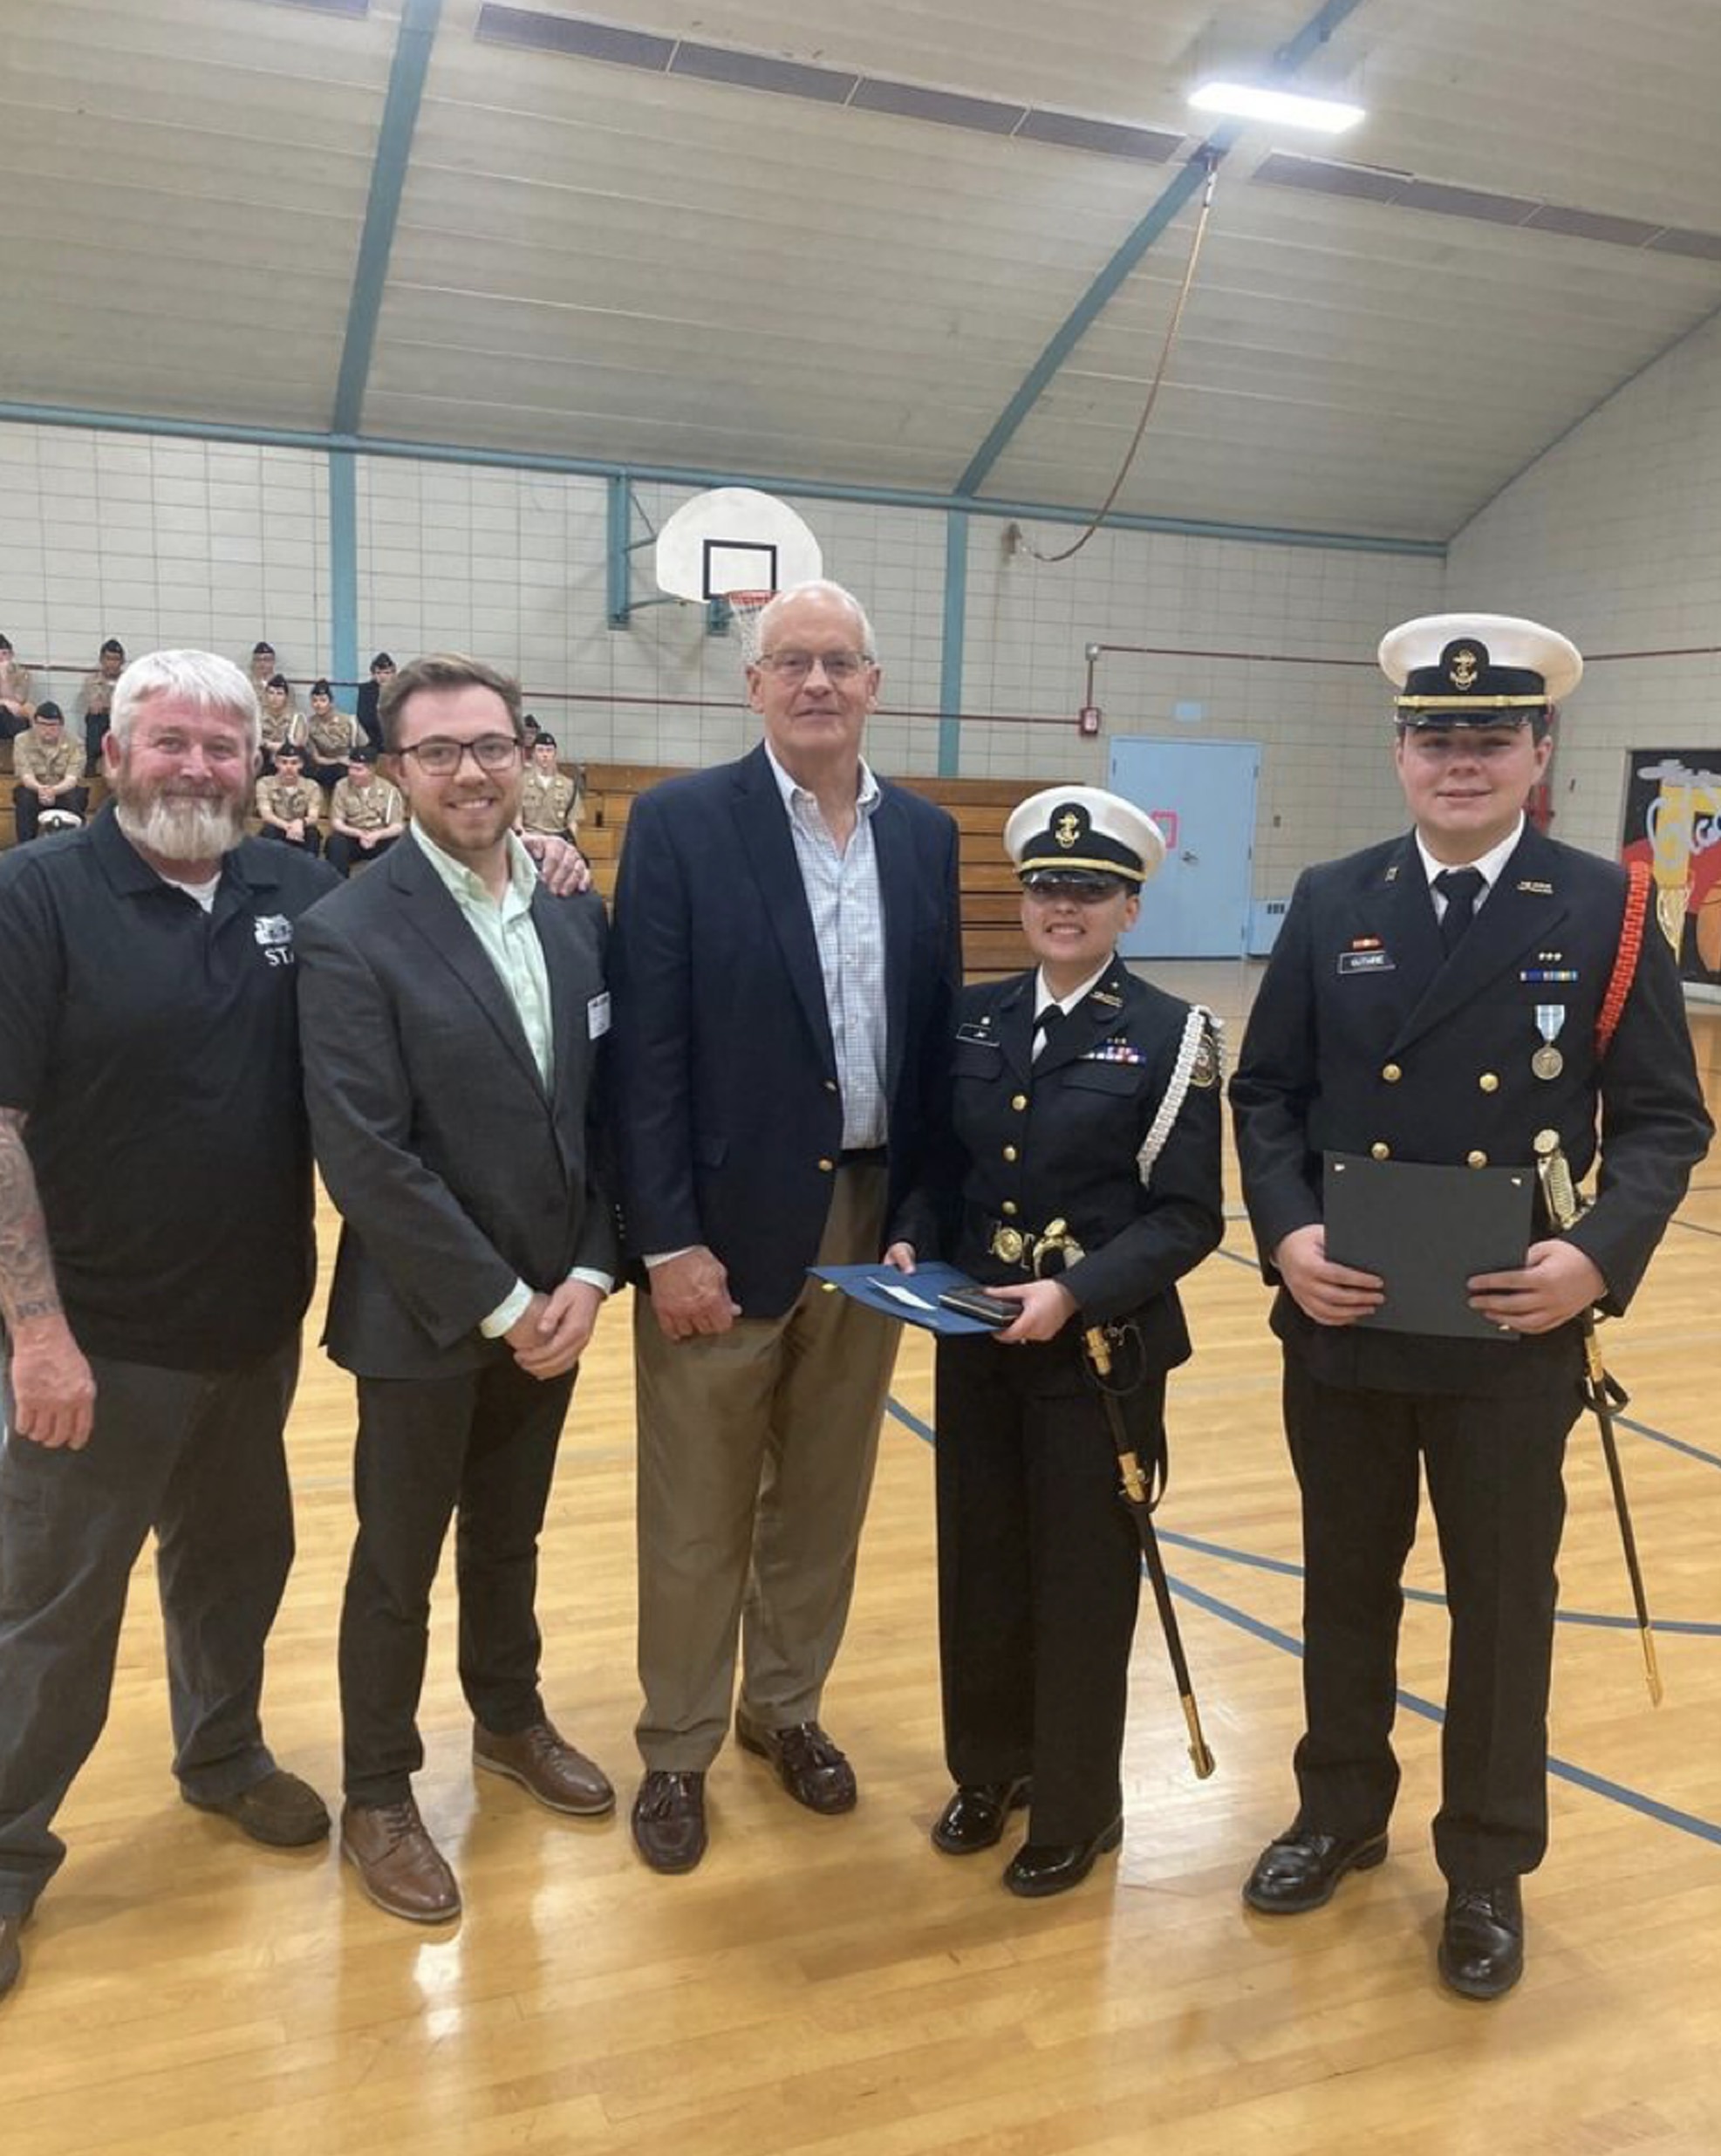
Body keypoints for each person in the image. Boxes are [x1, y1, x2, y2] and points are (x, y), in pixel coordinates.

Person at [1229, 613, 1712, 2002]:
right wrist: (1287, 1236)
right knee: (1344, 1581)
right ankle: (1337, 1812)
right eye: (1435, 737)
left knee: (1503, 1601)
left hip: (1513, 1324)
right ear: (1399, 752)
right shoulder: (1332, 898)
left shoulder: (1608, 909)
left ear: (1538, 751)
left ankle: (1487, 1862)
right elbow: (1264, 1096)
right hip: (1349, 1311)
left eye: (1488, 736)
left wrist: (1596, 1260)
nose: (1460, 759)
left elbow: (1668, 1127)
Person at [0, 650, 339, 2003]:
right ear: (114, 751)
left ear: (257, 764)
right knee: (53, 1614)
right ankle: (7, 1853)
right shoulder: (38, 894)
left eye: (221, 744)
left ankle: (222, 1757)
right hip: (94, 1342)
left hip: (251, 1329)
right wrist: (34, 1334)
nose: (196, 766)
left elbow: (424, 956)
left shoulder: (296, 893)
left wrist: (542, 872)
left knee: (234, 1568)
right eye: (170, 742)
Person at [608, 577, 962, 1873]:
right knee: (699, 1505)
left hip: (872, 1219)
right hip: (721, 1220)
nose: (816, 682)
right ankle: (678, 1745)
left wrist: (925, 1211)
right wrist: (665, 1240)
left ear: (875, 685)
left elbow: (933, 1048)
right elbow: (644, 1053)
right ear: (752, 686)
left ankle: (785, 1711)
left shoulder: (924, 838)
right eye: (791, 662)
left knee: (823, 1492)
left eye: (840, 662)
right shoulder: (682, 824)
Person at [297, 653, 619, 1925]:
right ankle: (377, 1789)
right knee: (395, 1560)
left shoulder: (568, 910)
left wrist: (592, 1271)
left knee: (513, 1536)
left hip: (559, 1308)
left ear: (525, 755)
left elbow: (601, 1117)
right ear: (392, 774)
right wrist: (503, 1302)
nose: (472, 771)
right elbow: (366, 1155)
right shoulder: (349, 932)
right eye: (439, 752)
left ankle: (509, 1720)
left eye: (492, 745)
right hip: (429, 1315)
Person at [885, 787, 1223, 1896]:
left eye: (1088, 889)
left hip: (1096, 1355)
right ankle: (987, 1769)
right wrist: (908, 1242)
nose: (1062, 905)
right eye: (1044, 886)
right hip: (977, 1336)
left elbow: (1185, 1217)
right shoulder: (973, 1018)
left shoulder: (1175, 1035)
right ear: (1020, 900)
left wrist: (1075, 1292)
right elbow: (942, 1170)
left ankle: (1079, 1806)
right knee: (979, 1561)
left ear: (1128, 906)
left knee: (1081, 1584)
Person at [10, 704, 90, 843]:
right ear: (34, 723)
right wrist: (41, 789)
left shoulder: (75, 743)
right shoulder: (22, 740)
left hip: (64, 788)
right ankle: (25, 847)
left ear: (61, 725)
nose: (47, 730)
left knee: (74, 798)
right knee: (24, 797)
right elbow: (26, 775)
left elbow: (72, 778)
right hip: (35, 788)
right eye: (42, 725)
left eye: (53, 726)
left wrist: (53, 791)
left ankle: (76, 846)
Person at [324, 743, 406, 875]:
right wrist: (359, 833)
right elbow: (337, 822)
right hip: (353, 836)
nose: (352, 773)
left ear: (372, 769)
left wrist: (377, 835)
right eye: (350, 768)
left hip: (379, 837)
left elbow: (397, 826)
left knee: (398, 845)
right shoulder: (342, 786)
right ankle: (339, 885)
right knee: (335, 842)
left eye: (358, 769)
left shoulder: (389, 790)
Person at [253, 738, 323, 855]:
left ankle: (309, 871)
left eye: (294, 763)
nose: (289, 767)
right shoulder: (264, 783)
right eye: (284, 762)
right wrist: (288, 827)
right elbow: (266, 815)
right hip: (278, 828)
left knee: (312, 833)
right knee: (268, 830)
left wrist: (300, 823)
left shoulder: (311, 786)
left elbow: (313, 816)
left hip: (301, 829)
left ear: (301, 764)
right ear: (276, 763)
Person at [303, 679, 365, 791]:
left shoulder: (349, 721)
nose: (318, 704)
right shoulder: (309, 724)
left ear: (331, 702)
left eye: (323, 700)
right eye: (314, 700)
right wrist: (337, 760)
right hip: (325, 766)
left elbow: (364, 747)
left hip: (349, 764)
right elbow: (316, 757)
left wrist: (350, 761)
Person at [79, 638, 126, 774]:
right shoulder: (91, 681)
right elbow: (94, 705)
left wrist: (108, 705)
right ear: (101, 660)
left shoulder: (129, 680)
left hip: (122, 723)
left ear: (122, 662)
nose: (111, 663)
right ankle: (91, 769)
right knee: (94, 718)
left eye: (115, 659)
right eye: (108, 659)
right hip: (100, 722)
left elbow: (129, 706)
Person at [519, 732, 578, 839]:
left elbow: (572, 822)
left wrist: (571, 845)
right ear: (533, 753)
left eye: (549, 750)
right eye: (540, 750)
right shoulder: (521, 783)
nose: (545, 755)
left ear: (555, 754)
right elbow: (516, 820)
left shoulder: (569, 786)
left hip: (557, 840)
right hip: (530, 839)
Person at [257, 674, 306, 769]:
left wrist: (281, 747)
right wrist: (267, 745)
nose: (274, 697)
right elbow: (252, 739)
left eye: (279, 693)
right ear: (266, 695)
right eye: (271, 693)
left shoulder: (297, 717)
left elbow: (298, 743)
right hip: (263, 758)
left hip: (289, 759)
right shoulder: (257, 715)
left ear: (286, 697)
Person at [354, 652, 394, 754]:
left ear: (393, 674)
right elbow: (363, 716)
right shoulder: (366, 690)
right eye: (378, 673)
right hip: (372, 738)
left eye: (386, 673)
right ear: (373, 674)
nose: (382, 677)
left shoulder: (399, 689)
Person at [0, 634, 35, 740]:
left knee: (27, 711)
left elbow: (19, 699)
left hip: (14, 714)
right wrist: (4, 702)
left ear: (11, 655)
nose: (1, 658)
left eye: (4, 654)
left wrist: (5, 677)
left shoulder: (22, 673)